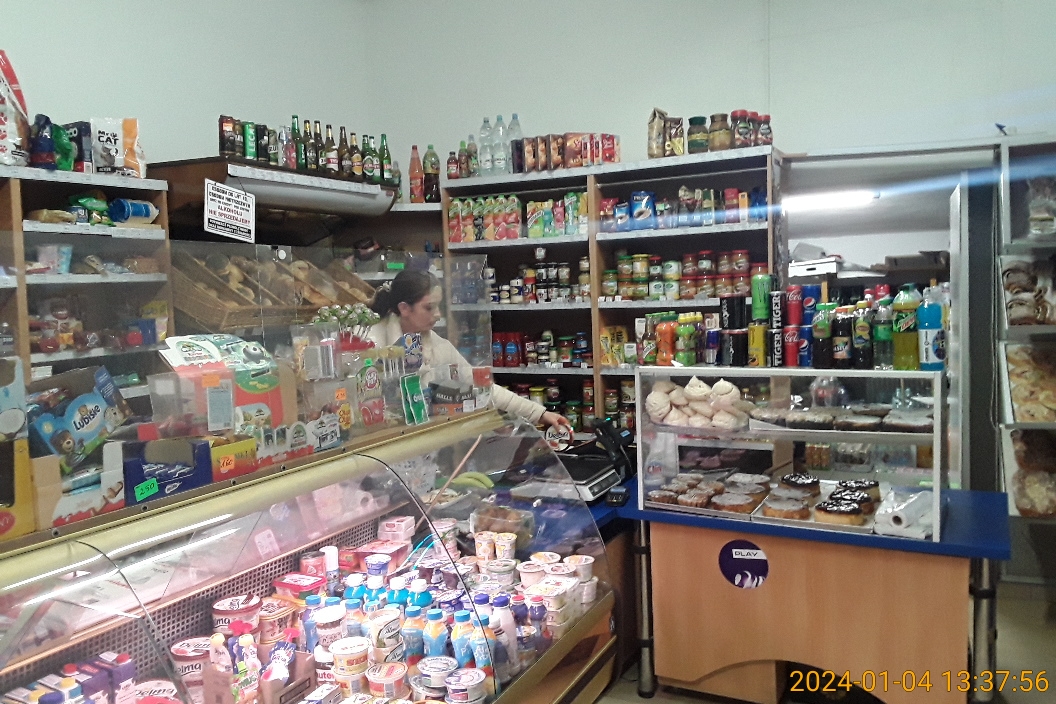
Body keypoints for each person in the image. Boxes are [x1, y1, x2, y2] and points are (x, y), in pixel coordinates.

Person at [368, 270, 571, 431]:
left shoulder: (439, 346)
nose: (438, 315)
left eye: (439, 306)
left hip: (425, 445)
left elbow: (480, 387)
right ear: (404, 308)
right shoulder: (371, 343)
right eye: (429, 307)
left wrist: (539, 413)